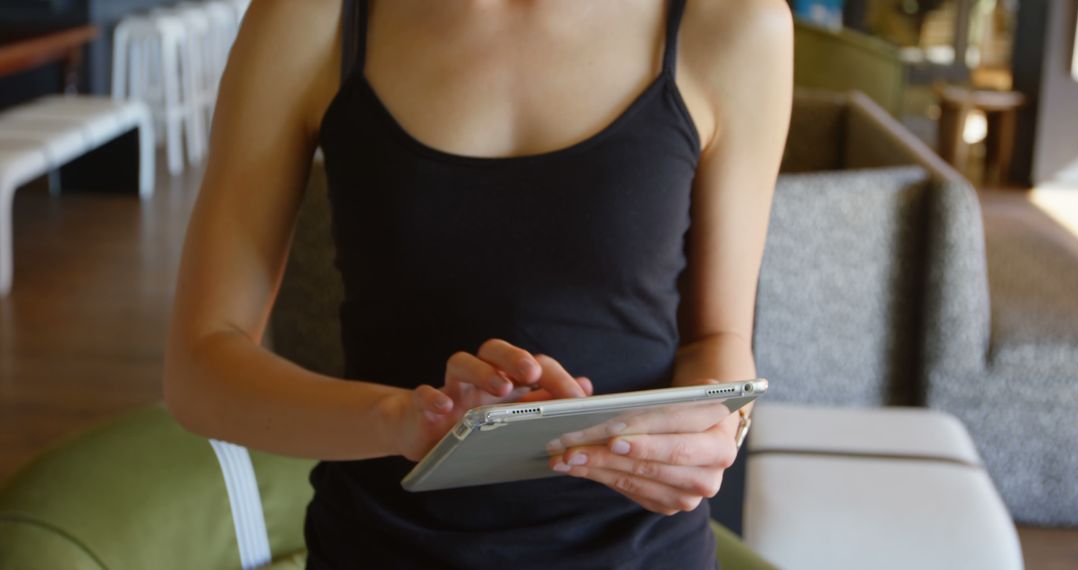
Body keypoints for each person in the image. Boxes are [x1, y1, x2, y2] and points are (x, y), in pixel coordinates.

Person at [163, 0, 793, 568]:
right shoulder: (313, 17)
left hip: (638, 554)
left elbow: (718, 338)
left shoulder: (733, 23)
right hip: (383, 548)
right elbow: (200, 370)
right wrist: (402, 421)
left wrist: (716, 429)